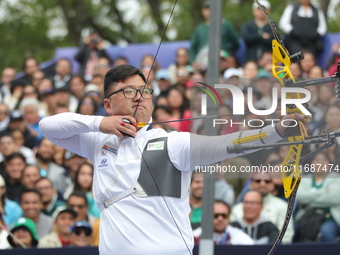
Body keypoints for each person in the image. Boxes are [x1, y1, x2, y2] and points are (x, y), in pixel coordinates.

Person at [39, 64, 306, 254]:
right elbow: (48, 126)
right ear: (108, 104)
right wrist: (101, 124)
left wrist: (276, 131)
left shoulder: (171, 142)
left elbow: (228, 144)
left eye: (145, 91)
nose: (140, 97)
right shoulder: (98, 141)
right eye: (129, 92)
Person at [230, 171, 294, 244]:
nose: (262, 184)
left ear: (273, 185)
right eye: (258, 181)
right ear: (250, 184)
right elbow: (229, 235)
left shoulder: (283, 206)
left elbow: (286, 237)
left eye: (267, 181)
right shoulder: (237, 208)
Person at [189, 1, 240, 69]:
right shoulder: (199, 28)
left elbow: (236, 43)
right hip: (204, 63)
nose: (209, 11)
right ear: (203, 11)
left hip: (222, 62)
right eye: (207, 9)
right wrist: (193, 61)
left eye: (212, 8)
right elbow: (192, 48)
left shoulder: (226, 25)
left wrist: (228, 55)